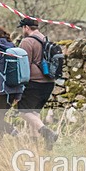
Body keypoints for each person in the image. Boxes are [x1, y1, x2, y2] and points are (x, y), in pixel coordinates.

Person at [17, 17, 58, 149]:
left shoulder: (27, 42)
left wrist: (20, 84)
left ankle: (47, 133)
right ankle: (35, 144)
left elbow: (24, 65)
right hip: (49, 82)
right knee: (34, 113)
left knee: (24, 111)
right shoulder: (45, 39)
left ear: (26, 28)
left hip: (35, 82)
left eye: (23, 28)